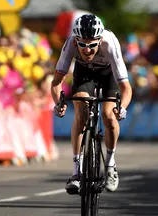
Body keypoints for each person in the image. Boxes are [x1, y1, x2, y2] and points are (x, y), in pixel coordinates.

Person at [50, 14, 132, 194]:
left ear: (100, 40)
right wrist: (58, 103)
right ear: (76, 41)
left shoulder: (109, 44)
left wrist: (122, 107)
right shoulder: (70, 44)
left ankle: (110, 166)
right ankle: (76, 173)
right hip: (84, 74)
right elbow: (56, 83)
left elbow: (126, 88)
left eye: (92, 45)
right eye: (83, 45)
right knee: (81, 111)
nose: (87, 50)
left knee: (109, 115)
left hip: (108, 74)